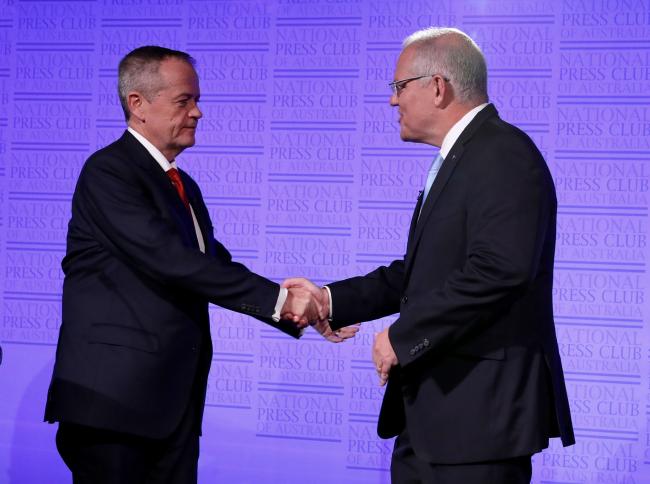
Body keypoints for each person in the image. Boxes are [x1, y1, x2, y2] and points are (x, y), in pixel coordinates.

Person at [44, 46, 355, 484]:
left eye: (196, 100)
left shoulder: (182, 183)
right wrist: (283, 300)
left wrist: (305, 310)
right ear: (138, 104)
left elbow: (212, 264)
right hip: (113, 407)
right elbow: (172, 261)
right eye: (184, 100)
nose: (198, 112)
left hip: (172, 405)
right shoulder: (108, 172)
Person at [285, 27, 574, 483]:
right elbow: (417, 275)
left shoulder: (503, 154)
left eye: (399, 87)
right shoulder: (462, 158)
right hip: (431, 420)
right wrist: (329, 298)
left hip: (478, 424)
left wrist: (403, 336)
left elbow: (501, 271)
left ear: (437, 87)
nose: (392, 101)